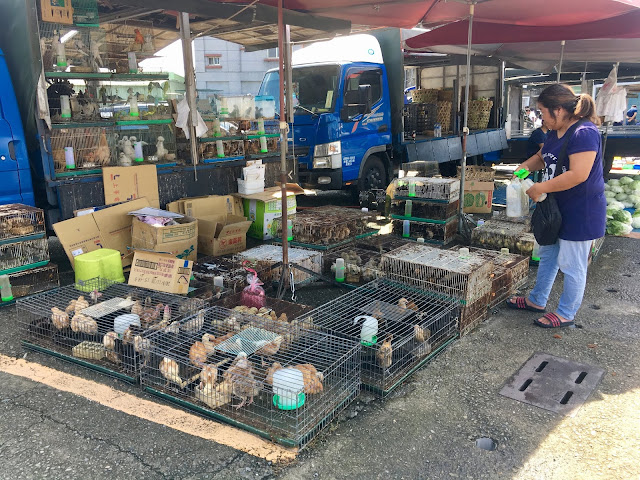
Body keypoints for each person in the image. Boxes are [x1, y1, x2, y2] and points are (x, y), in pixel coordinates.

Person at [506, 84, 605, 329]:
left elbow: (578, 174)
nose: (541, 118)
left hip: (580, 211)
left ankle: (565, 313)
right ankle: (537, 300)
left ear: (558, 110)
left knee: (572, 264)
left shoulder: (584, 133)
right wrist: (520, 171)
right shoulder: (554, 132)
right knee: (547, 255)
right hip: (554, 209)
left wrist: (541, 188)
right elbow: (542, 158)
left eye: (542, 112)